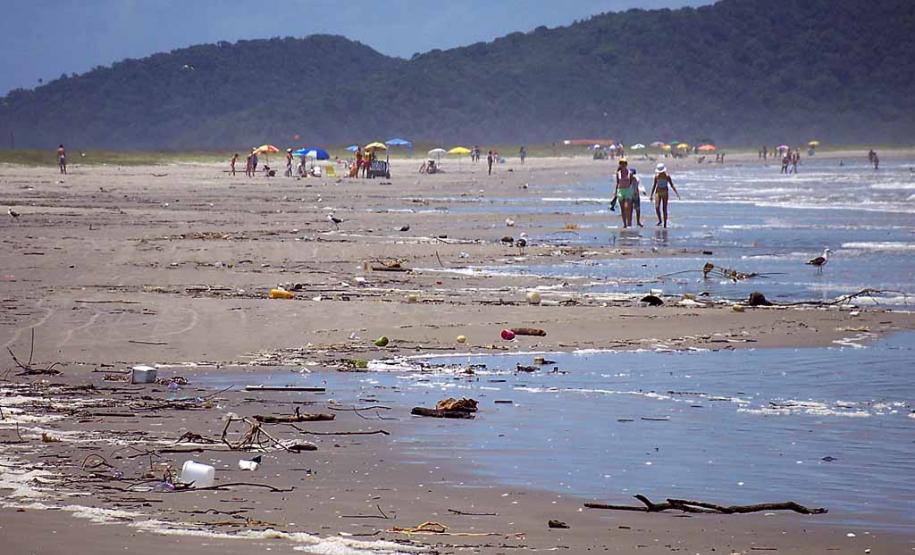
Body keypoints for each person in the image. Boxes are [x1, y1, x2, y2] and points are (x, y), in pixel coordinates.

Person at [651, 163, 680, 228]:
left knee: (664, 208)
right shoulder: (656, 177)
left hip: (665, 192)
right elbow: (654, 185)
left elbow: (672, 185)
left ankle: (665, 224)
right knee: (657, 207)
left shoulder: (667, 176)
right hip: (658, 191)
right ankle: (660, 220)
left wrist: (677, 194)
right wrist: (651, 195)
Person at [614, 158, 634, 228]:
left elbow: (631, 182)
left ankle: (629, 222)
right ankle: (625, 224)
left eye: (624, 163)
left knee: (626, 207)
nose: (622, 165)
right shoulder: (618, 174)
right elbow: (617, 183)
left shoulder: (630, 173)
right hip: (620, 191)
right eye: (621, 163)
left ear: (626, 164)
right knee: (622, 209)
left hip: (628, 190)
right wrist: (615, 193)